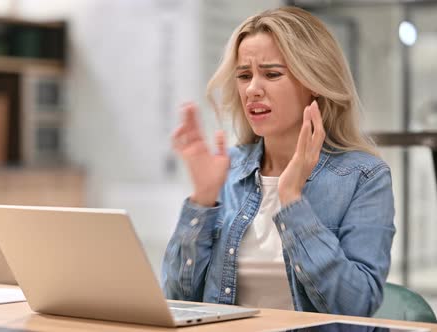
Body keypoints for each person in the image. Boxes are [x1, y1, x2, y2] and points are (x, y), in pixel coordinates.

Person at [161, 6, 395, 317]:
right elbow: (178, 298)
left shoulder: (364, 176)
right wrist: (202, 200)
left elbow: (356, 305)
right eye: (244, 76)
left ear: (313, 80)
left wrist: (292, 201)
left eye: (271, 74)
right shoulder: (226, 170)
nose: (252, 90)